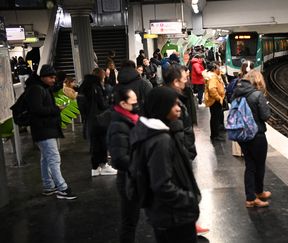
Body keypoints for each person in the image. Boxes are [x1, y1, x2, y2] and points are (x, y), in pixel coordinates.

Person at [130, 87, 201, 243]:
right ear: (161, 107)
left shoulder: (156, 133)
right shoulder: (160, 140)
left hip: (169, 214)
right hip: (173, 216)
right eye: (173, 104)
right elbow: (162, 184)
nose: (178, 108)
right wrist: (189, 199)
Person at [163, 64, 209, 235]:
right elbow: (177, 128)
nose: (187, 79)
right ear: (175, 81)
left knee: (187, 186)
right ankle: (186, 225)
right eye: (184, 77)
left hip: (184, 150)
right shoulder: (170, 101)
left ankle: (190, 223)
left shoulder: (178, 97)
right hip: (179, 151)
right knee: (183, 188)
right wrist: (184, 149)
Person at [25, 64, 77, 199]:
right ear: (43, 77)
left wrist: (59, 85)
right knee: (54, 158)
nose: (53, 80)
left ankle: (48, 186)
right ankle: (62, 188)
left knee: (46, 159)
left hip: (43, 128)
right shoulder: (36, 89)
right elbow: (37, 110)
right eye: (51, 77)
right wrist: (56, 110)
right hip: (43, 129)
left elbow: (48, 94)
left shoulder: (40, 87)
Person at [231, 70, 271, 207]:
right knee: (258, 165)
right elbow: (265, 116)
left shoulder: (237, 93)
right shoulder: (257, 95)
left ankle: (255, 194)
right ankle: (253, 196)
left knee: (250, 164)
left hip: (242, 135)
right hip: (257, 135)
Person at [107, 88, 140, 243]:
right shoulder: (118, 125)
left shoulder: (131, 118)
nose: (137, 104)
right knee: (129, 221)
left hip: (135, 177)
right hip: (128, 180)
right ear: (123, 104)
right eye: (133, 102)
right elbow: (119, 159)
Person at [80, 73, 117, 176]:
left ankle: (95, 167)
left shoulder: (83, 89)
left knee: (95, 145)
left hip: (90, 120)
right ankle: (104, 165)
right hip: (100, 119)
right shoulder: (96, 88)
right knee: (102, 143)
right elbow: (102, 104)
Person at [204, 62, 226, 141]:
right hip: (214, 101)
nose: (219, 69)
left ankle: (215, 134)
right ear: (214, 69)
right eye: (218, 68)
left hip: (214, 100)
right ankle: (215, 135)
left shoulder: (213, 76)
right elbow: (212, 89)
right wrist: (218, 98)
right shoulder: (213, 77)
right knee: (215, 118)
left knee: (215, 117)